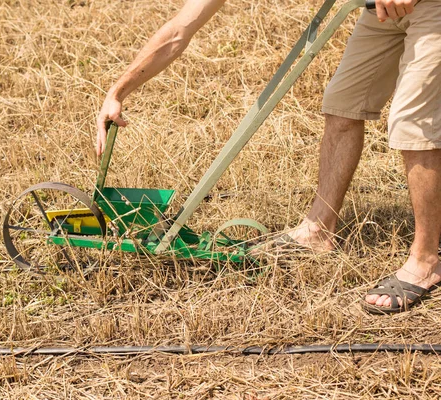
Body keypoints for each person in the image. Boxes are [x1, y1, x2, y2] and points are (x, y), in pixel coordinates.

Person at [95, 0, 441, 314]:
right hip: (380, 10)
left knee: (413, 124)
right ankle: (318, 230)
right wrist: (117, 92)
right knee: (342, 107)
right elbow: (179, 29)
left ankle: (426, 260)